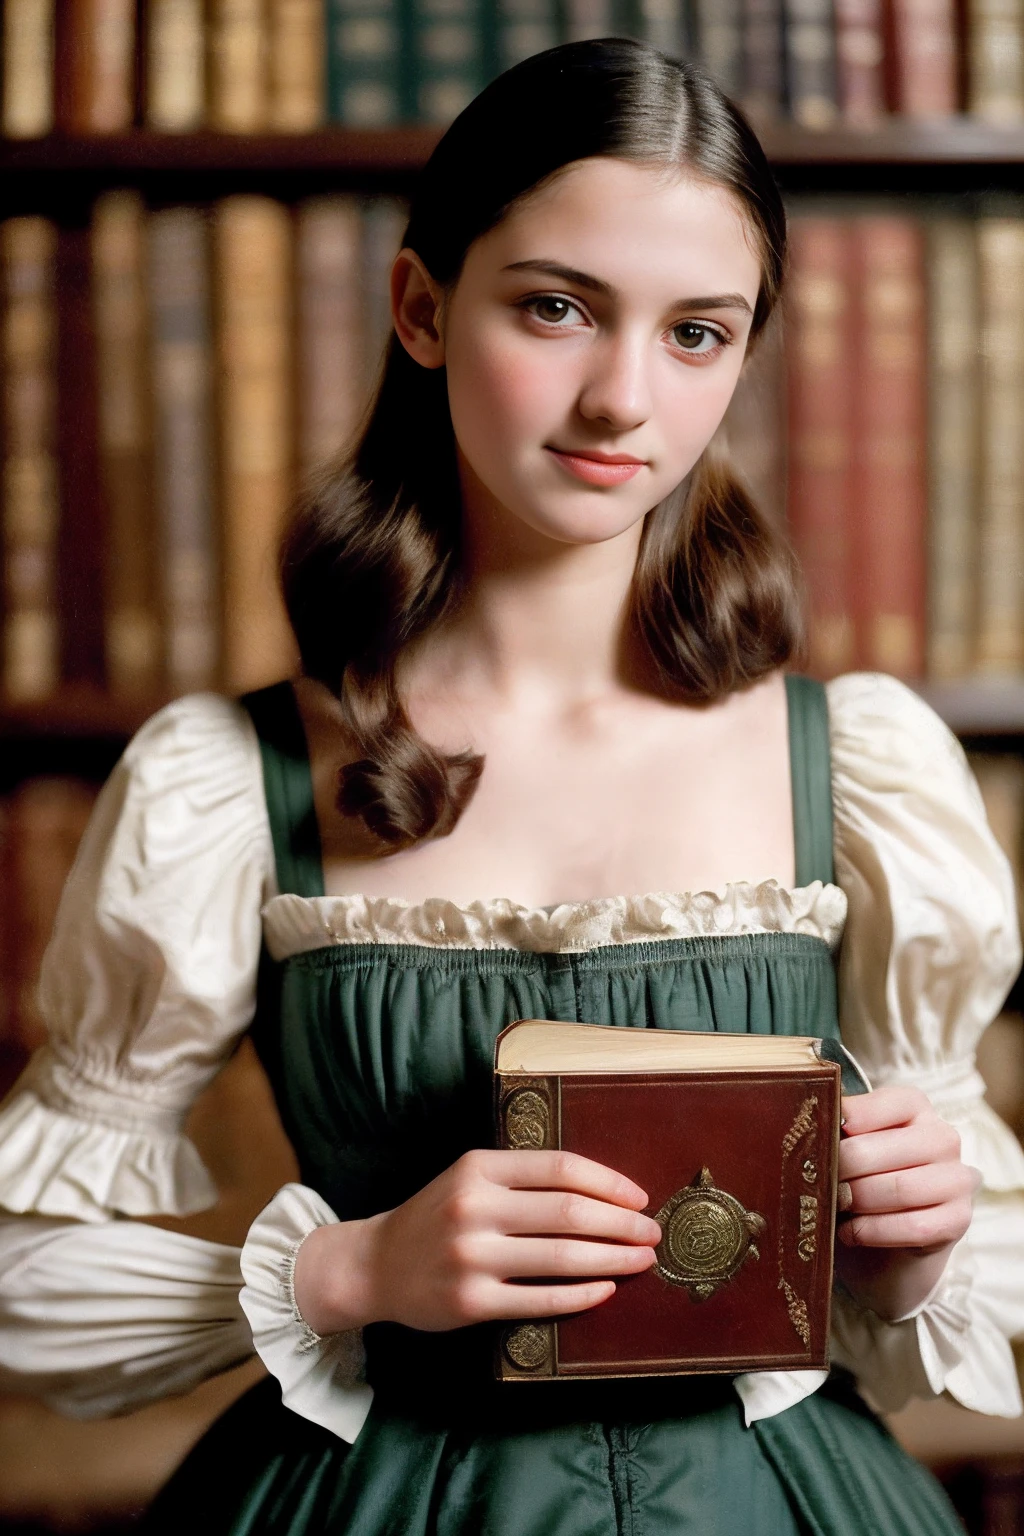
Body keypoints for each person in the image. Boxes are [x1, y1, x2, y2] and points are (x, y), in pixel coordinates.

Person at [0, 37, 1022, 1536]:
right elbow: (20, 1283)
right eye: (557, 308)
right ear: (422, 307)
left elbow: (941, 1287)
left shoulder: (862, 768)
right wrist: (351, 1273)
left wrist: (912, 1247)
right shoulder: (225, 783)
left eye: (698, 333)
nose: (622, 398)